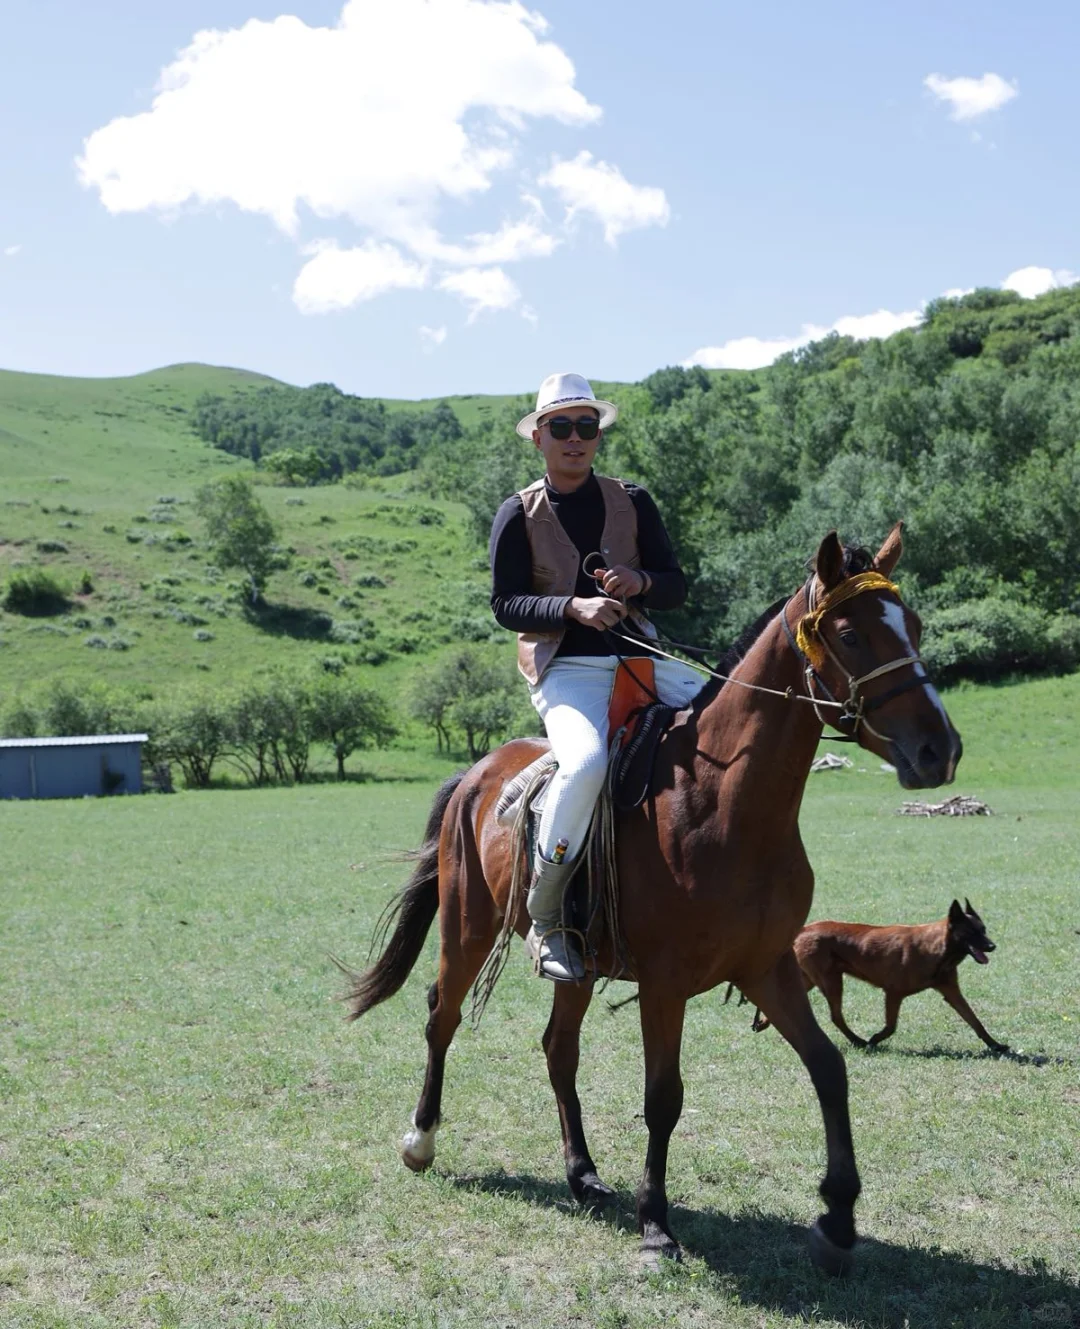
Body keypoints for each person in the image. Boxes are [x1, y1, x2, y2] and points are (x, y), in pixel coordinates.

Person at [490, 371, 706, 982]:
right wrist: (572, 607)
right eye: (560, 426)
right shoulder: (517, 512)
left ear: (598, 435)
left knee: (733, 723)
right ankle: (546, 916)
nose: (575, 437)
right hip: (566, 669)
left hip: (642, 661)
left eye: (586, 425)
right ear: (538, 437)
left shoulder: (634, 500)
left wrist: (641, 582)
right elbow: (505, 604)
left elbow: (674, 585)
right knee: (586, 764)